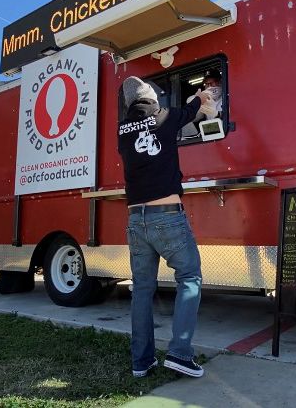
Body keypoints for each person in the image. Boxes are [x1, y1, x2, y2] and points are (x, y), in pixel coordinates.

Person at [117, 76, 214, 378]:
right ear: (152, 99)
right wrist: (203, 95)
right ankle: (180, 353)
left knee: (142, 290)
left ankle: (141, 361)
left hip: (136, 220)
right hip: (167, 215)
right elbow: (190, 111)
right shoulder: (165, 117)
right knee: (189, 277)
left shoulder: (122, 131)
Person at [181, 69, 223, 139]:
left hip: (226, 135)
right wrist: (196, 102)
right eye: (206, 84)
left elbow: (234, 118)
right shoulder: (205, 99)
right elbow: (196, 118)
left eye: (212, 83)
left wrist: (217, 114)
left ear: (219, 82)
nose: (209, 86)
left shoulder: (227, 97)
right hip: (209, 135)